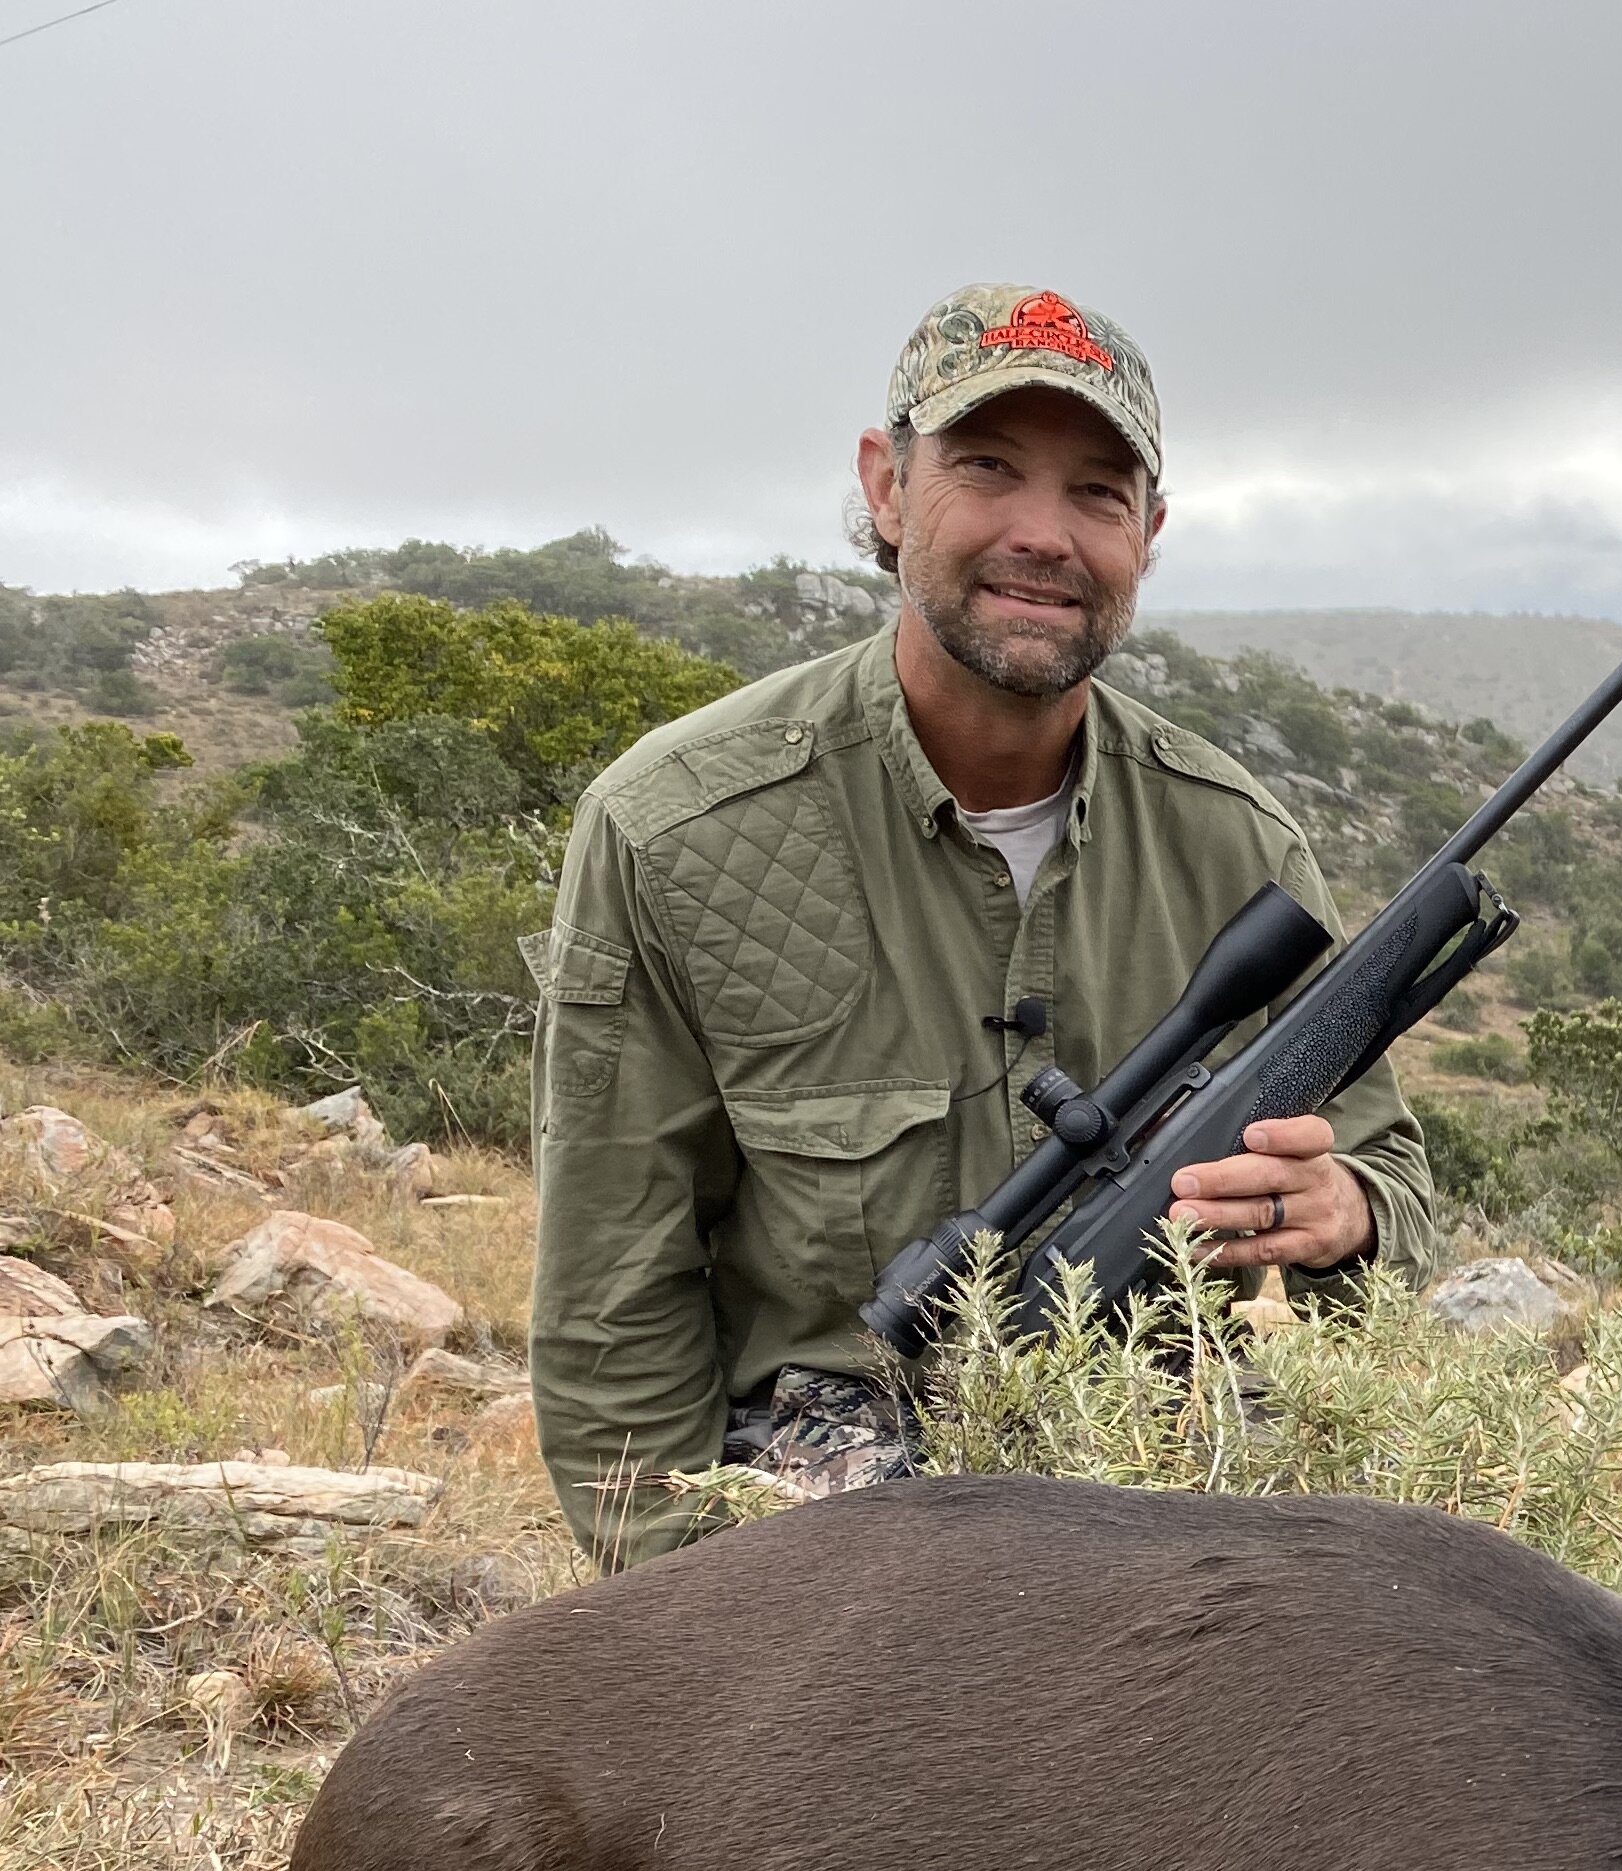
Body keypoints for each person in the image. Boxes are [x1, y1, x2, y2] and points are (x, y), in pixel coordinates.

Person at [524, 282, 1441, 1564]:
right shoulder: (674, 832)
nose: (1043, 535)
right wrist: (686, 1631)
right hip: (837, 1514)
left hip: (1169, 1490)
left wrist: (1340, 1211)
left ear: (1151, 534)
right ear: (887, 486)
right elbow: (610, 1311)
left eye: (1097, 495)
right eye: (988, 468)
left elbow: (1394, 1183)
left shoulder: (1242, 848)